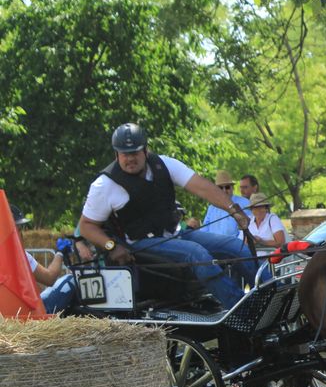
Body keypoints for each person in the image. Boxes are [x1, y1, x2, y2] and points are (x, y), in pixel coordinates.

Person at [78, 122, 256, 309]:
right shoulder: (104, 185)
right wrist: (111, 246)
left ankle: (271, 295)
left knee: (235, 246)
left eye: (135, 153)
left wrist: (233, 209)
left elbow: (202, 187)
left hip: (175, 234)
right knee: (196, 253)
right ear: (116, 154)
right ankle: (242, 308)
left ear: (145, 151)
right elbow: (86, 225)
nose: (130, 158)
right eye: (124, 154)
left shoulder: (164, 165)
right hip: (140, 245)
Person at [11, 205, 75, 313]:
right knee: (71, 279)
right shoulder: (21, 256)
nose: (20, 233)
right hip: (27, 315)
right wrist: (60, 253)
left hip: (7, 320)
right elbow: (49, 278)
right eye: (19, 229)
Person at [201, 170, 251, 238]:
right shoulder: (212, 207)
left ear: (232, 188)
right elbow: (204, 230)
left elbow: (249, 227)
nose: (224, 190)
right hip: (214, 245)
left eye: (227, 187)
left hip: (235, 245)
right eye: (220, 188)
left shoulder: (245, 203)